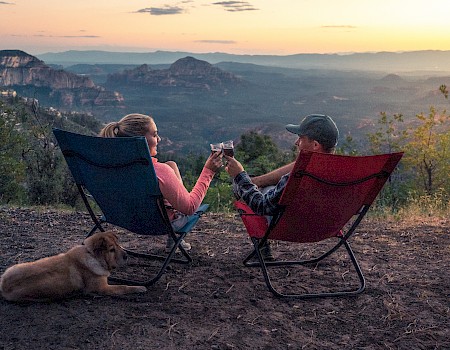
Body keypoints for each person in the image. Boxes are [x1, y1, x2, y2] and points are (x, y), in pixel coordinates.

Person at [99, 113, 223, 252]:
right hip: (158, 223)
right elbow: (190, 207)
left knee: (171, 165)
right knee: (183, 199)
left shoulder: (108, 166)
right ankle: (174, 235)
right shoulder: (159, 172)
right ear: (141, 140)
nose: (159, 139)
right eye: (154, 135)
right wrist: (208, 171)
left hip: (122, 218)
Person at [224, 114, 339, 260]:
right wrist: (256, 181)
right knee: (260, 185)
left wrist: (240, 176)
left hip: (291, 227)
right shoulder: (345, 173)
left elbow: (261, 205)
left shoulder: (298, 178)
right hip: (327, 226)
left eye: (301, 138)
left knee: (241, 186)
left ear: (315, 145)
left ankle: (262, 247)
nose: (296, 143)